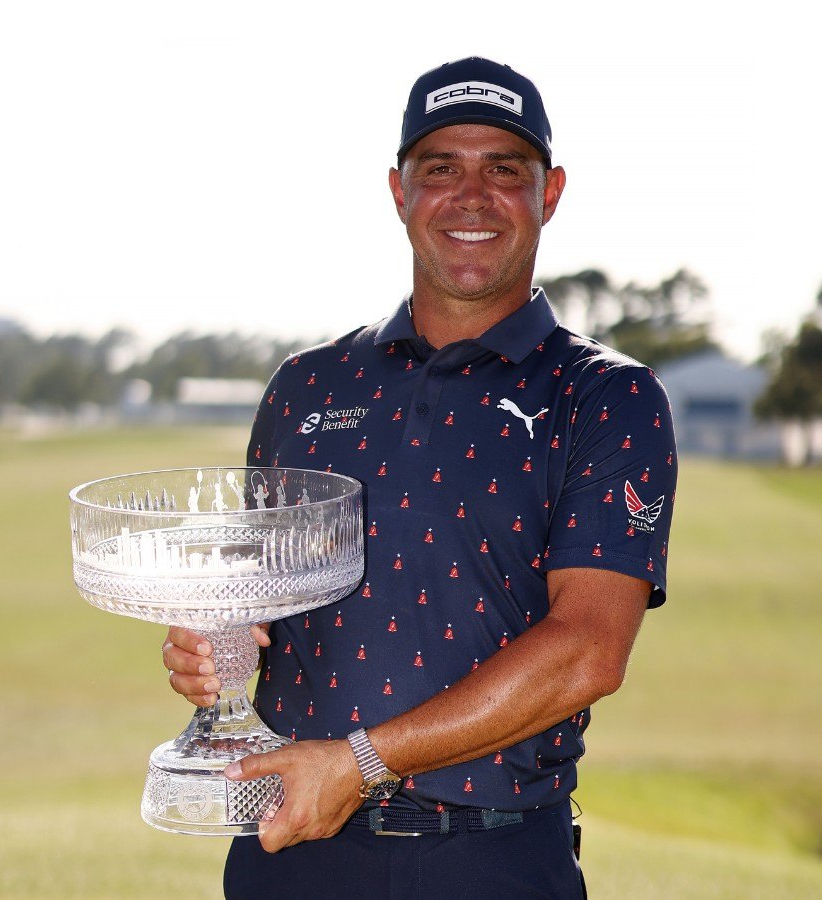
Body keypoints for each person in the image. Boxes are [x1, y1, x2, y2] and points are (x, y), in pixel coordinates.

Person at [162, 57, 678, 899]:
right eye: (440, 168)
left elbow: (587, 651)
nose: (470, 196)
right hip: (292, 846)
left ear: (548, 193)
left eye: (503, 170)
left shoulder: (607, 395)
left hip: (489, 860)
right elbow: (253, 617)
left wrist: (361, 762)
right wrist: (210, 651)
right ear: (399, 193)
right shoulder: (308, 386)